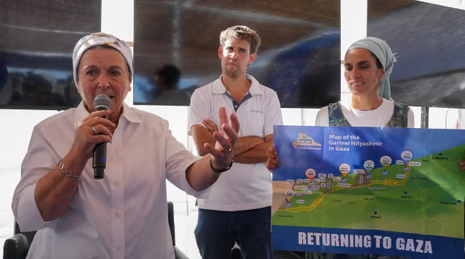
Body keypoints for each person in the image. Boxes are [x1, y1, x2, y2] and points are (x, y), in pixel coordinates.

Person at [11, 32, 240, 259]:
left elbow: (190, 175)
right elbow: (30, 213)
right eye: (91, 72)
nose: (103, 82)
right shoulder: (49, 132)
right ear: (77, 82)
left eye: (114, 72)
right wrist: (77, 154)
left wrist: (215, 163)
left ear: (129, 83)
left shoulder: (154, 128)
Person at [267, 37, 414, 259]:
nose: (354, 74)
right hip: (337, 232)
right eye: (348, 67)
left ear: (381, 72)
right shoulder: (326, 115)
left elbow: (411, 169)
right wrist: (281, 167)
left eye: (363, 66)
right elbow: (312, 172)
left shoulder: (403, 116)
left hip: (385, 230)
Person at [188, 25, 283, 259]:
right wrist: (255, 141)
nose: (234, 55)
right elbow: (203, 148)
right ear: (221, 52)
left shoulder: (269, 96)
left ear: (251, 58)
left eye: (242, 50)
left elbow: (271, 148)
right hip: (213, 204)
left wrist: (225, 146)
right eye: (230, 49)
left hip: (259, 205)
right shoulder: (201, 95)